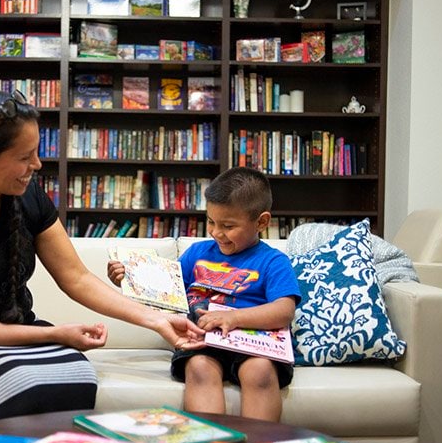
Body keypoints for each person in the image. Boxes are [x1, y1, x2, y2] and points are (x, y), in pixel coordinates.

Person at [0, 89, 204, 435]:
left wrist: (158, 320)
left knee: (79, 379)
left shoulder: (28, 198)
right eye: (26, 156)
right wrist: (57, 334)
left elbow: (76, 277)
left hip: (15, 333)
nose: (37, 165)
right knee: (29, 389)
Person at [108, 167, 300, 421]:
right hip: (203, 341)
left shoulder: (274, 261)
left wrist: (233, 318)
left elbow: (283, 311)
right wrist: (130, 280)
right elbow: (168, 294)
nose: (216, 232)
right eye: (211, 221)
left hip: (254, 345)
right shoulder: (196, 254)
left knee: (261, 371)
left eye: (228, 226)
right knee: (198, 367)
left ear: (262, 222)